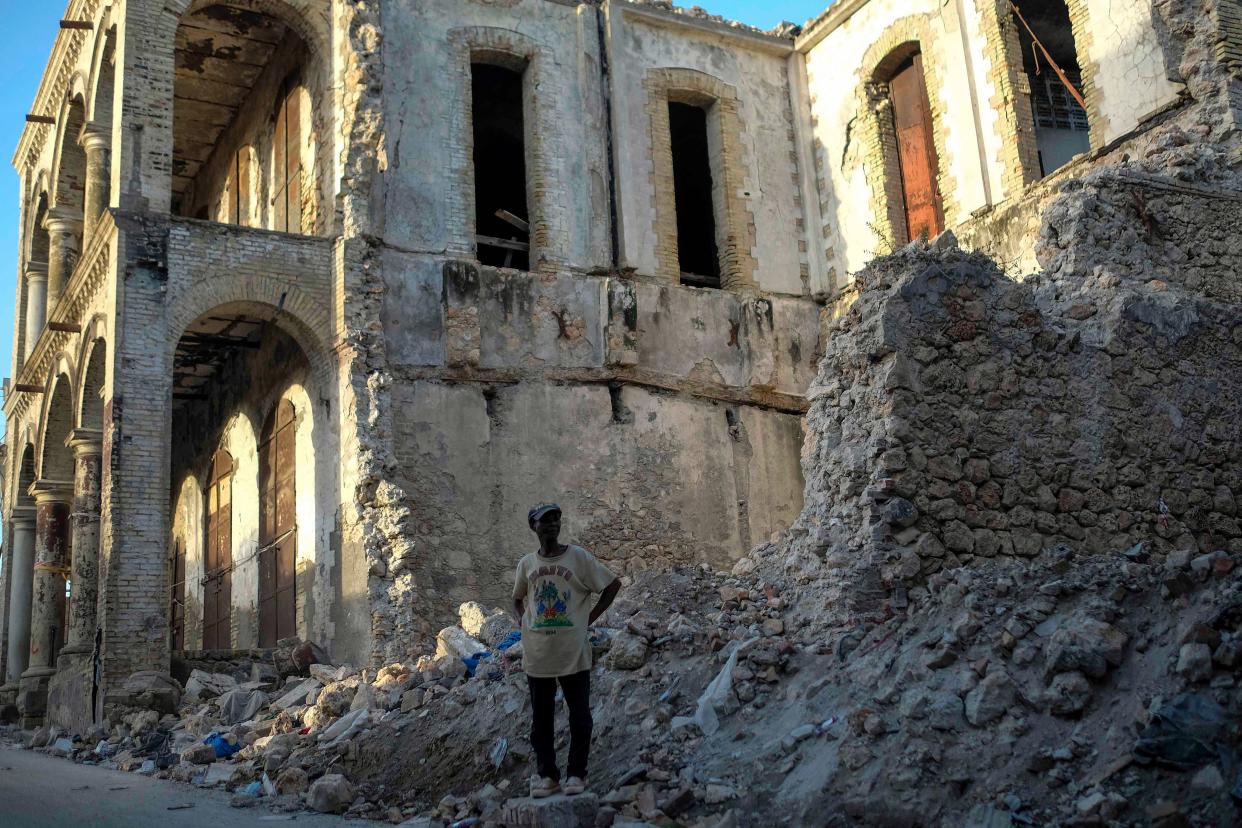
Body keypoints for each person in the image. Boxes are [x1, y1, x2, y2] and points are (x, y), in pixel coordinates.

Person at [512, 503, 622, 798]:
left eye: (555, 520)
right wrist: (523, 623)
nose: (551, 525)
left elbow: (612, 585)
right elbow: (517, 599)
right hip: (538, 655)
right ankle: (547, 776)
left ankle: (577, 773)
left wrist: (588, 620)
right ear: (533, 527)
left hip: (573, 652)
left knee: (580, 717)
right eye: (544, 521)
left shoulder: (578, 558)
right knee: (541, 720)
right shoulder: (527, 564)